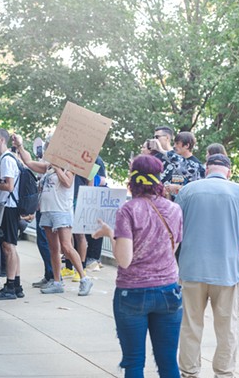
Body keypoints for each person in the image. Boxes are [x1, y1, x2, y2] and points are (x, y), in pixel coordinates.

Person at [93, 155, 183, 377]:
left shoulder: (128, 210)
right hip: (168, 290)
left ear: (132, 179)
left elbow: (124, 259)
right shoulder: (174, 210)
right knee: (168, 362)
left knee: (133, 362)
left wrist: (109, 233)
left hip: (132, 292)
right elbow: (171, 251)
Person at [176, 154, 239, 377]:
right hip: (227, 270)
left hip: (192, 268)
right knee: (227, 328)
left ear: (206, 169)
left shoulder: (188, 191)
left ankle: (189, 372)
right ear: (228, 171)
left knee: (190, 325)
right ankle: (224, 372)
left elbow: (177, 226)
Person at [13, 134, 93, 296]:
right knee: (53, 248)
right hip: (47, 210)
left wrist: (57, 167)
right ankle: (57, 281)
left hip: (61, 210)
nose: (46, 150)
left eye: (49, 147)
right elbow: (28, 163)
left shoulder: (69, 165)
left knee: (66, 246)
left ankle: (84, 278)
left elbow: (68, 183)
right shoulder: (47, 166)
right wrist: (20, 146)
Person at [0, 129, 24, 300]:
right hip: (10, 205)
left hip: (8, 206)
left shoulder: (6, 161)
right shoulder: (8, 158)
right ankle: (16, 284)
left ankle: (10, 286)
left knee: (8, 247)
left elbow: (9, 186)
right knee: (11, 246)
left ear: (2, 140)